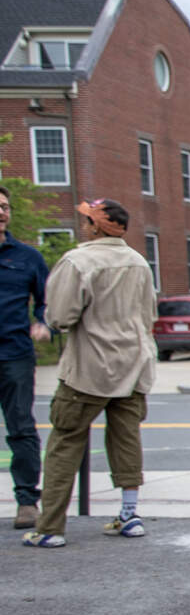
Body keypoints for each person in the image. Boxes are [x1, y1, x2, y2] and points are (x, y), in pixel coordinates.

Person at [22, 199, 157, 548]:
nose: (83, 224)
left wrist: (48, 323)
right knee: (126, 440)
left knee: (65, 442)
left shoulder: (78, 261)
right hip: (133, 365)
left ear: (97, 227)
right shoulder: (139, 262)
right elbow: (148, 314)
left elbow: (61, 316)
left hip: (88, 369)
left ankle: (50, 527)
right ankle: (129, 515)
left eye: (86, 220)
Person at [0, 184, 53, 528]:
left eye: (5, 206)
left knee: (20, 427)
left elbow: (48, 300)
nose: (2, 212)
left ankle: (27, 502)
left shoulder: (27, 257)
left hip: (14, 355)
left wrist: (43, 322)